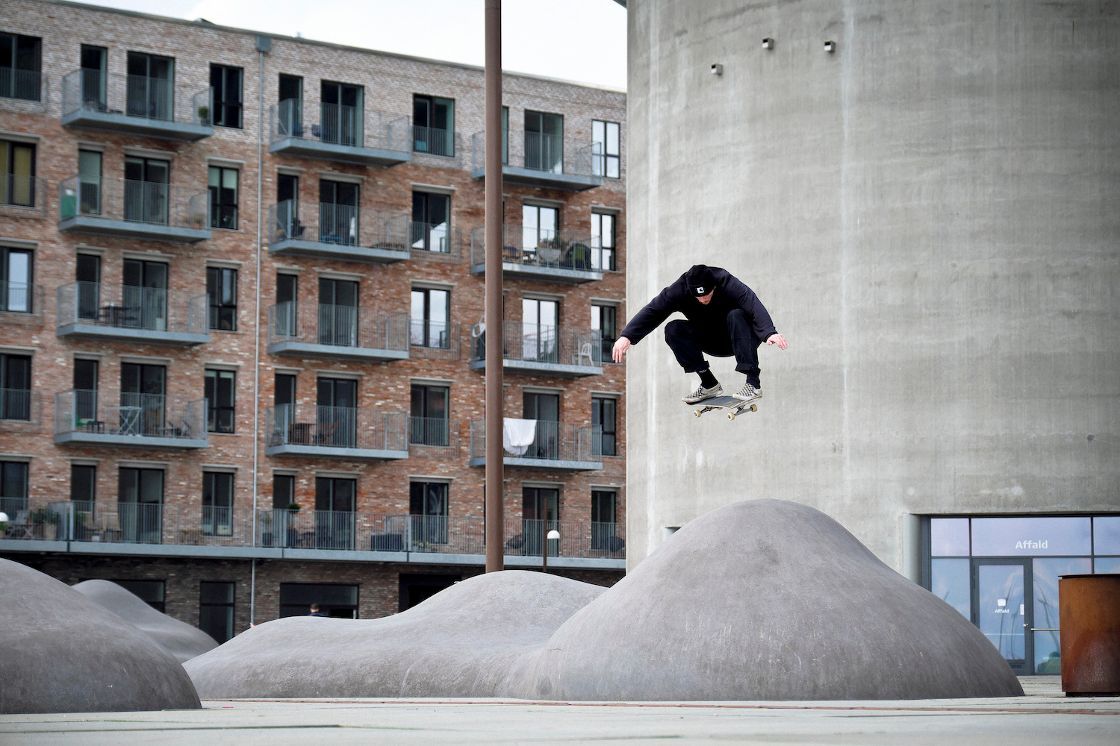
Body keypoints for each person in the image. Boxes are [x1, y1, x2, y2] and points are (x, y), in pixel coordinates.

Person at [611, 264, 788, 405]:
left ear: (714, 287)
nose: (703, 299)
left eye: (708, 294)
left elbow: (752, 302)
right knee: (673, 329)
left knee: (736, 315)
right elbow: (654, 310)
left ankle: (753, 383)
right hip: (711, 340)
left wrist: (769, 333)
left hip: (741, 338)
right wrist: (627, 336)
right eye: (699, 297)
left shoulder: (725, 281)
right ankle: (709, 383)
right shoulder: (678, 290)